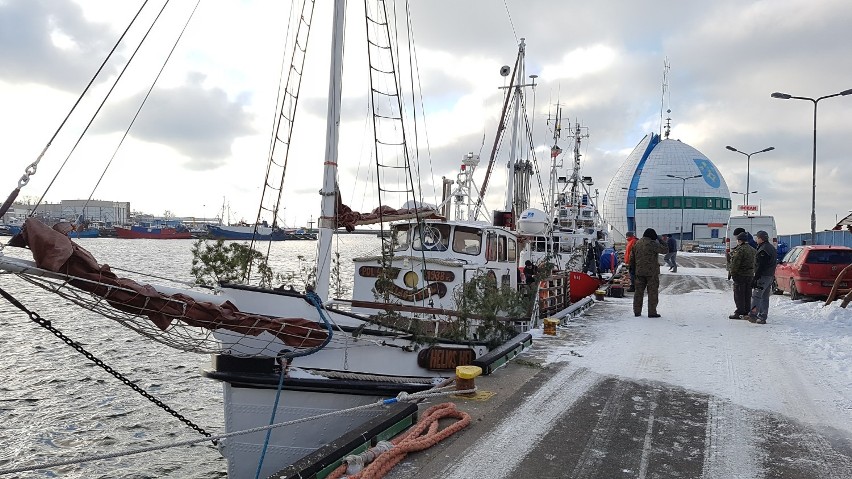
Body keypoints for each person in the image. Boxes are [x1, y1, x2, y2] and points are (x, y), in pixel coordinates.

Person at [628, 228, 668, 317]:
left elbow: (632, 258)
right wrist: (660, 239)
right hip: (651, 273)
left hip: (639, 272)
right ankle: (652, 312)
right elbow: (665, 250)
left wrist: (633, 270)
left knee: (638, 292)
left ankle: (637, 312)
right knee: (652, 292)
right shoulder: (652, 243)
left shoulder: (637, 243)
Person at [748, 230, 777, 324]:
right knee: (765, 297)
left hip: (763, 277)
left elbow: (761, 265)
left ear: (760, 238)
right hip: (769, 276)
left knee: (756, 296)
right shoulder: (771, 247)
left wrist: (755, 278)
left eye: (757, 238)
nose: (756, 239)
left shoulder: (763, 250)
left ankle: (753, 315)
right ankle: (763, 316)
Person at [727, 232, 756, 319]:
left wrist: (732, 273)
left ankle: (739, 311)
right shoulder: (753, 250)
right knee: (747, 294)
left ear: (739, 241)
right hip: (750, 275)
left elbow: (735, 264)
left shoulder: (740, 250)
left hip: (740, 275)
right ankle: (747, 311)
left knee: (739, 295)